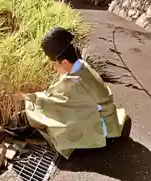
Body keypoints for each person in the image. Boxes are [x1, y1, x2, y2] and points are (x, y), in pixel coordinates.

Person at [23, 27, 131, 159]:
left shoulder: (75, 81)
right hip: (107, 115)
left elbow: (52, 99)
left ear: (64, 61)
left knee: (49, 114)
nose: (53, 67)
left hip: (100, 126)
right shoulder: (82, 65)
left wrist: (30, 99)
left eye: (53, 63)